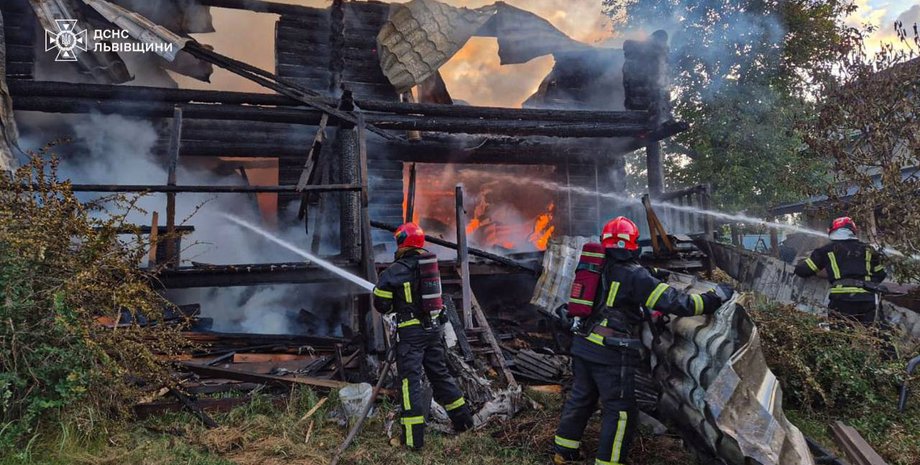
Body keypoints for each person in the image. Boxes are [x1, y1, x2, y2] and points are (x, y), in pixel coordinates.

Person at [553, 216, 733, 465]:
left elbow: (615, 289)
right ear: (632, 243)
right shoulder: (635, 276)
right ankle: (609, 462)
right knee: (620, 411)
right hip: (611, 353)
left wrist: (651, 275)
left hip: (583, 344)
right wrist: (716, 296)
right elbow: (681, 303)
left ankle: (563, 452)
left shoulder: (596, 264)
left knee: (581, 398)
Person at [372, 222, 474, 450]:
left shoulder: (394, 271)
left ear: (402, 243)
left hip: (412, 335)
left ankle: (412, 439)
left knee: (410, 383)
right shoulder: (430, 264)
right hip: (434, 330)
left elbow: (381, 304)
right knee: (440, 375)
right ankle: (465, 422)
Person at [794, 216, 886, 324]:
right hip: (868, 299)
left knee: (842, 335)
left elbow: (803, 271)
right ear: (853, 231)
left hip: (842, 300)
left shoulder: (825, 250)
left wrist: (799, 264)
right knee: (871, 336)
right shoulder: (869, 250)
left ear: (833, 231)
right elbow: (881, 274)